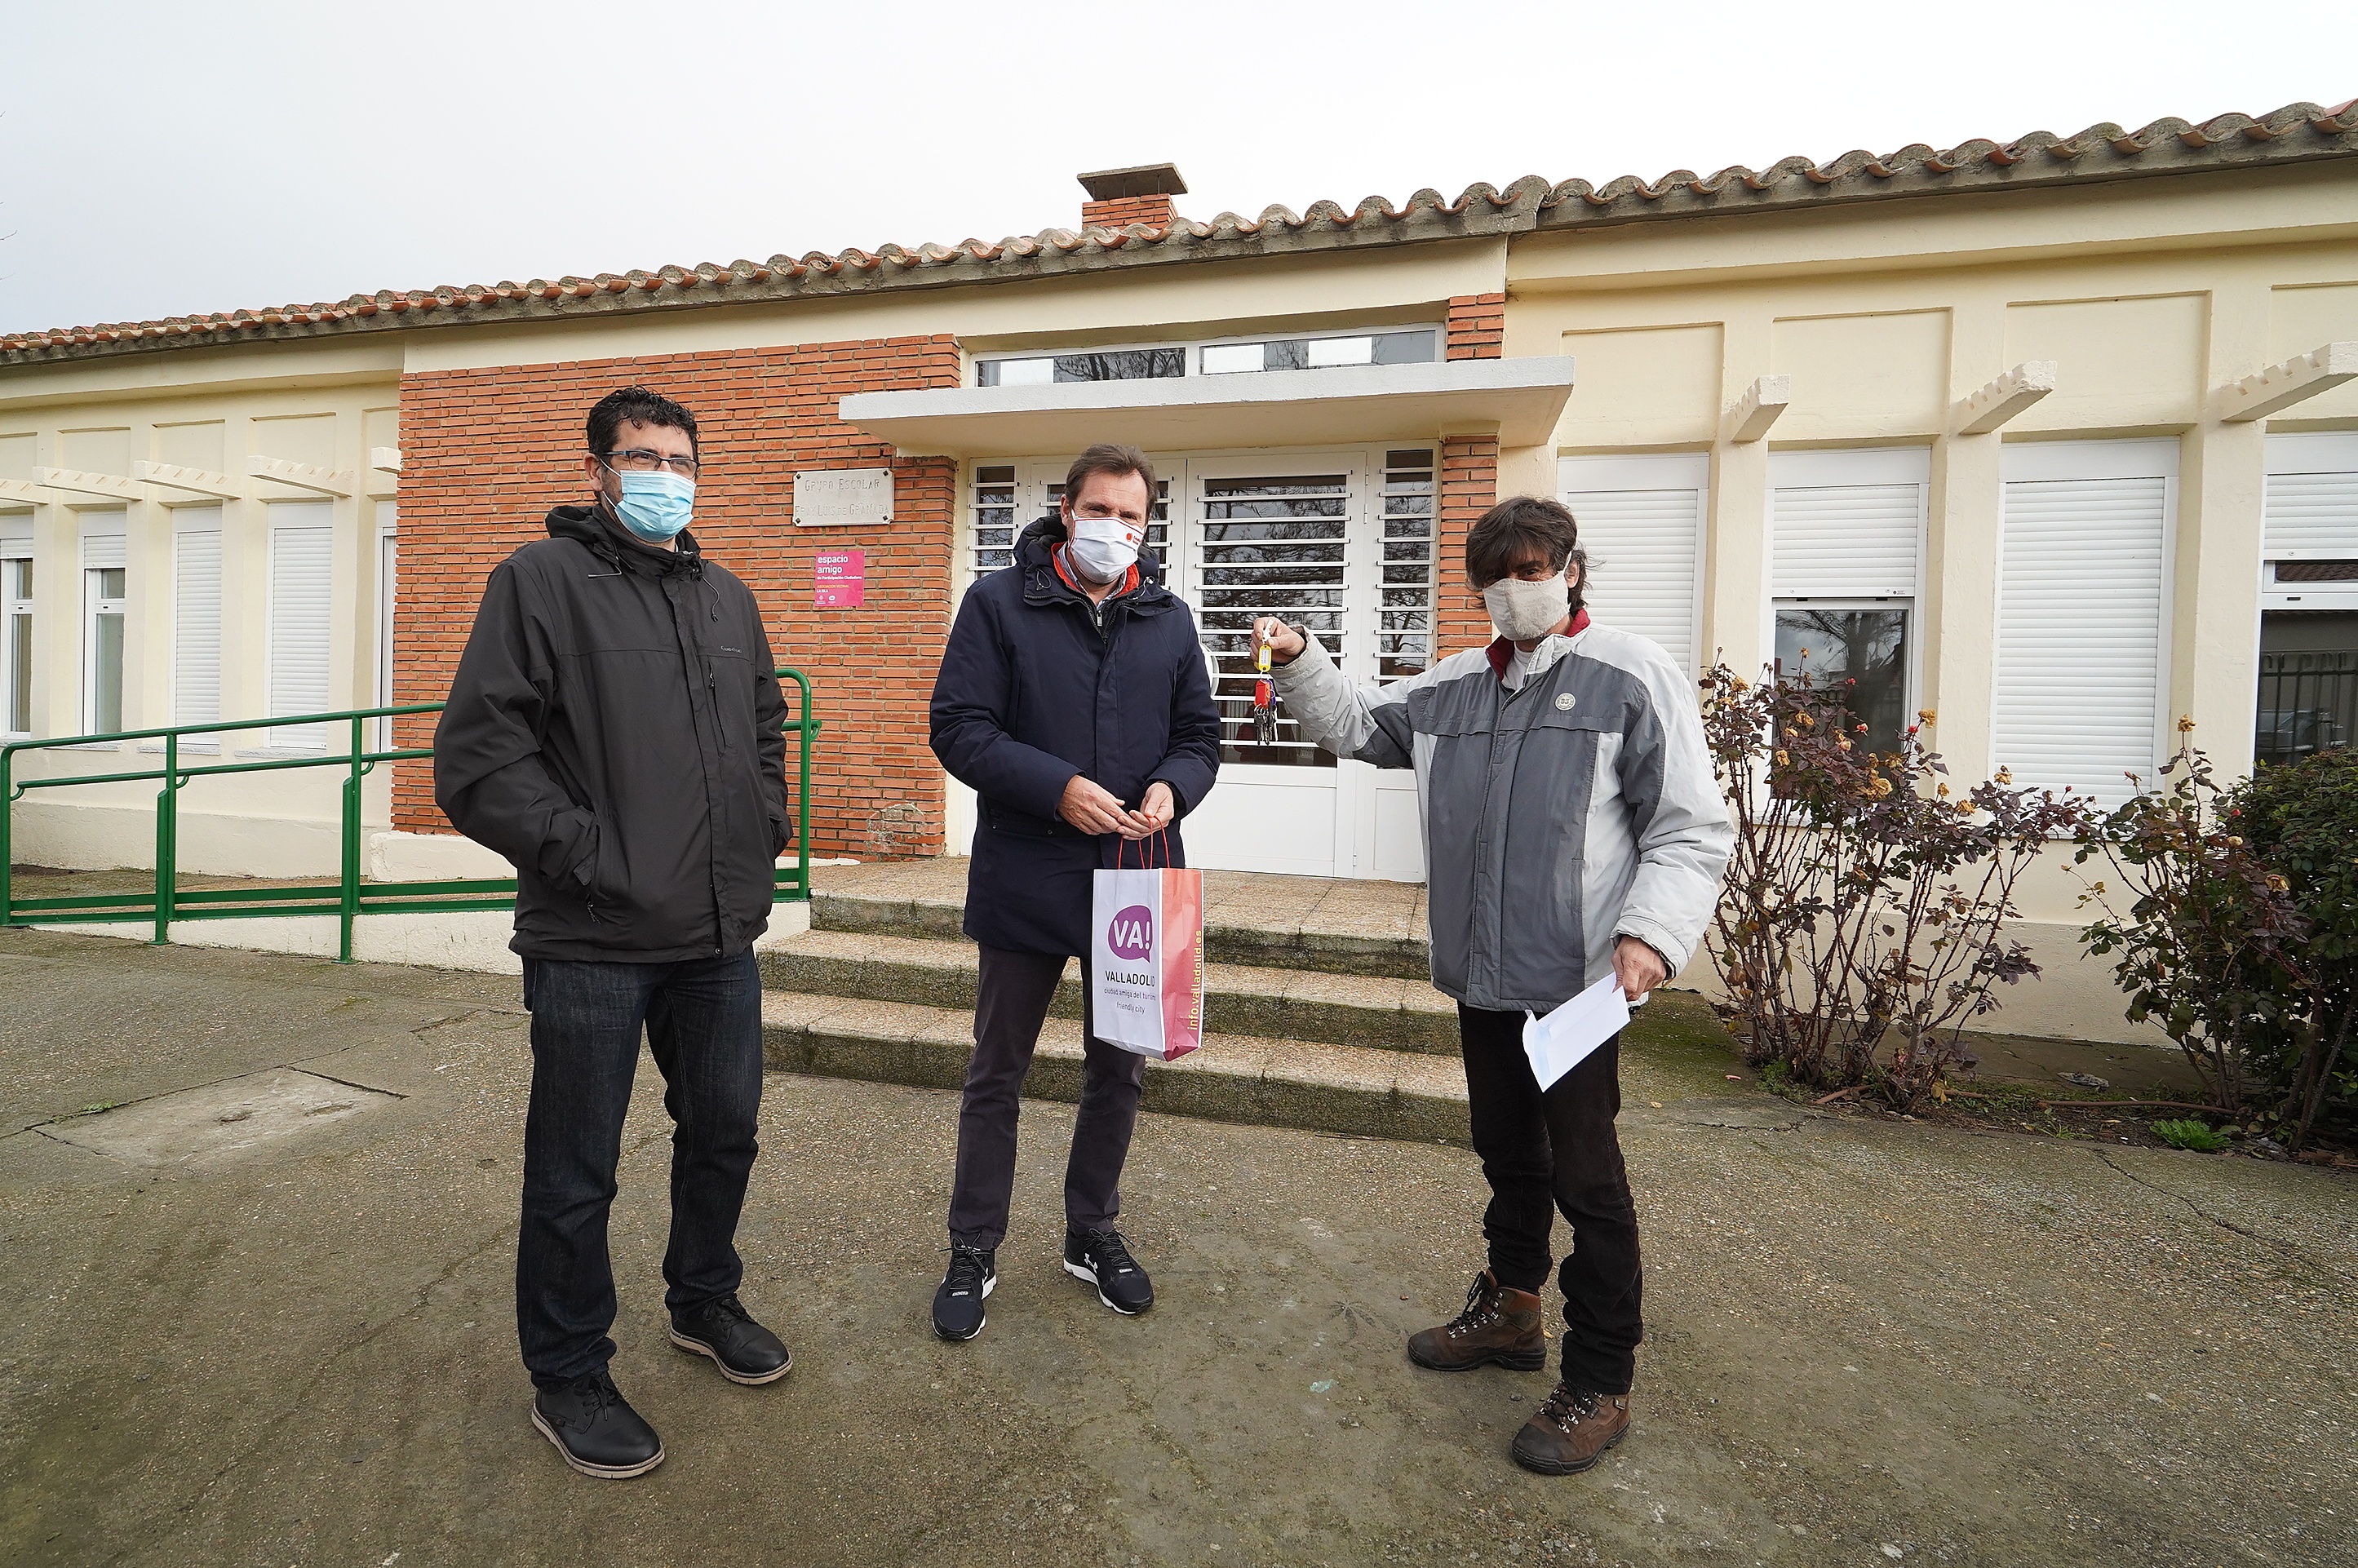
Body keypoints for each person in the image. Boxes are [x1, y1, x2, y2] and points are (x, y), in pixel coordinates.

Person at [1254, 495, 1730, 1477]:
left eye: (1531, 569)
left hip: (1579, 983)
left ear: (1570, 567)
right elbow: (1358, 726)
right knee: (1507, 1152)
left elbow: (1689, 826)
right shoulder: (1456, 685)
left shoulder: (1631, 674)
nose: (1514, 590)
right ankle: (1513, 1308)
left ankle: (1600, 1375)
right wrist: (1299, 654)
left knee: (1587, 1178)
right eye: (1495, 578)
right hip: (1484, 979)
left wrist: (1650, 935)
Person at [434, 386, 796, 1480]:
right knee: (575, 1167)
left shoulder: (726, 597)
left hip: (717, 933)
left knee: (725, 1127)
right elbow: (478, 760)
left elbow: (764, 727)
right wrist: (592, 855)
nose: (663, 477)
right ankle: (569, 1372)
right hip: (591, 937)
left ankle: (703, 1298)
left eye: (680, 461)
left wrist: (765, 824)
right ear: (596, 470)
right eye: (641, 458)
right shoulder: (538, 581)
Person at [925, 442, 1221, 1342]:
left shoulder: (1168, 617)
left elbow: (1199, 735)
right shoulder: (997, 604)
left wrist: (1174, 785)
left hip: (1136, 880)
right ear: (1066, 511)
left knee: (1118, 1069)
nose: (1114, 528)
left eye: (1131, 516)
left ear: (1147, 524)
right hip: (1026, 875)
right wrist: (1055, 787)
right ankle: (973, 1246)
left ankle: (1092, 1231)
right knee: (997, 1071)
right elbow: (959, 727)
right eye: (1099, 510)